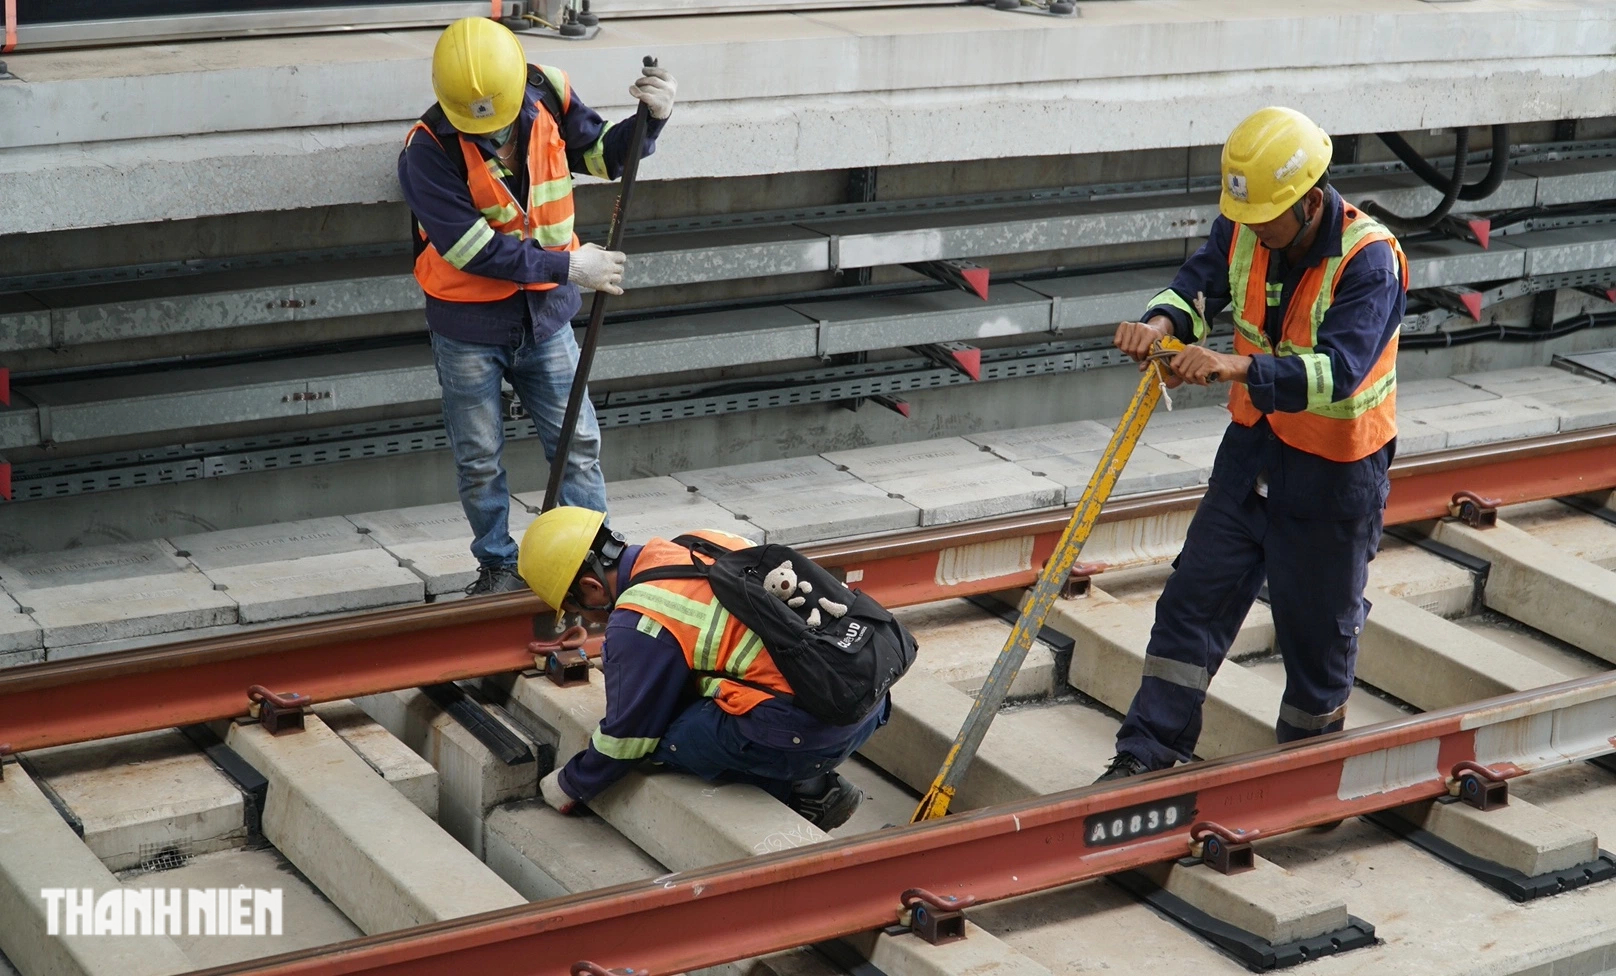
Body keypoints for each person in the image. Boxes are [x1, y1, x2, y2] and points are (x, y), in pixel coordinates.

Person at [1096, 106, 1408, 781]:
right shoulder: (1244, 227)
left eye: (1267, 217)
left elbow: (1340, 371)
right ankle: (1144, 759)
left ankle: (1306, 772)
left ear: (1310, 201)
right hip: (1254, 452)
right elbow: (1196, 286)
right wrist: (1159, 321)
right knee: (1190, 605)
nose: (1254, 231)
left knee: (1317, 638)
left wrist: (1235, 366)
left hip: (1334, 473)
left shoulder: (1369, 261)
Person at [398, 17, 677, 596]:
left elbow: (603, 157)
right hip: (468, 327)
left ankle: (589, 560)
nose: (491, 137)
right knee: (479, 458)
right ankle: (498, 566)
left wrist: (649, 123)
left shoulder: (547, 91)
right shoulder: (426, 151)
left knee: (577, 445)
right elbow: (475, 250)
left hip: (546, 320)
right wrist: (570, 267)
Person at [518, 506, 890, 830]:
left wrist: (569, 786)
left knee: (669, 735)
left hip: (815, 735)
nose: (586, 619)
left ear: (591, 587)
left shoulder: (638, 619)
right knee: (697, 693)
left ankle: (808, 793)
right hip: (868, 698)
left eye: (578, 609)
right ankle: (805, 770)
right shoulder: (700, 541)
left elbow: (628, 738)